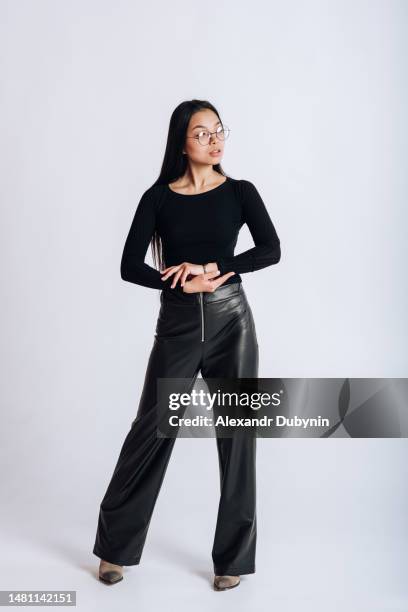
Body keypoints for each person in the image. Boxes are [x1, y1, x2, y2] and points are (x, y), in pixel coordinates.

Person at [93, 99, 281, 591]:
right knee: (151, 431)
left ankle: (232, 562)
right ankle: (114, 551)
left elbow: (270, 248)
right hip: (177, 324)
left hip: (231, 321)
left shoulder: (240, 192)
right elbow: (130, 264)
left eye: (219, 130)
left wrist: (217, 270)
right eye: (202, 133)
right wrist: (175, 282)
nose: (214, 139)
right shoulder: (158, 198)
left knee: (238, 438)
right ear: (182, 142)